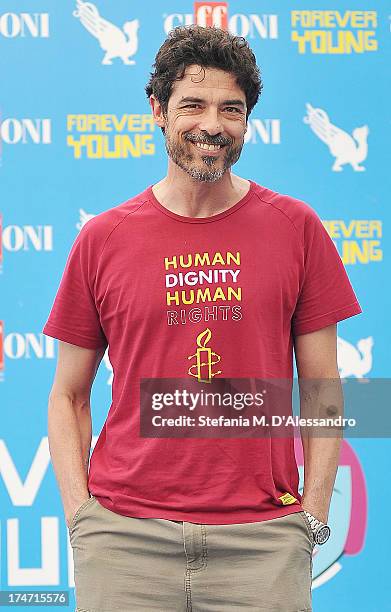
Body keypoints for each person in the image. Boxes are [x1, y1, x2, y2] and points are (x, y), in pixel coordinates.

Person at [43, 25, 362, 611]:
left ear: (247, 121)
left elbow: (324, 393)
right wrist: (82, 520)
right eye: (193, 104)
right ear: (158, 111)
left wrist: (311, 520)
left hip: (263, 545)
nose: (212, 124)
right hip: (124, 542)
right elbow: (67, 396)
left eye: (231, 109)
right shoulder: (103, 239)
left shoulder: (297, 230)